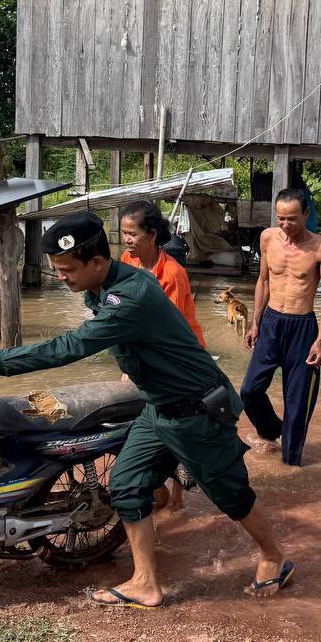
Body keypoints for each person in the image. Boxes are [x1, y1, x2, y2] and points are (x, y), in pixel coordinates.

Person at [0, 212, 293, 607]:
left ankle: (274, 556)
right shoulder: (107, 285)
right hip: (158, 407)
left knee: (231, 494)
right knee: (126, 484)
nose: (61, 277)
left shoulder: (130, 297)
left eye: (68, 270)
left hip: (196, 412)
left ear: (98, 262)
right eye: (56, 269)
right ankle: (146, 582)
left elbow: (68, 348)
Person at [239, 189, 321, 467]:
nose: (285, 224)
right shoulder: (268, 238)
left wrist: (320, 340)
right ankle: (271, 430)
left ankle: (291, 467)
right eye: (280, 218)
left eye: (292, 218)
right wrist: (255, 323)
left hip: (302, 327)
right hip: (271, 323)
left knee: (297, 406)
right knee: (249, 391)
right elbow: (264, 281)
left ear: (306, 214)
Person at [120, 199, 206, 511]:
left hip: (179, 356)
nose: (127, 240)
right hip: (143, 351)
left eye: (133, 234)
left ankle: (177, 497)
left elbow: (167, 330)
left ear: (152, 235)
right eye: (124, 233)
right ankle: (157, 489)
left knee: (175, 424)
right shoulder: (127, 261)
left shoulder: (173, 273)